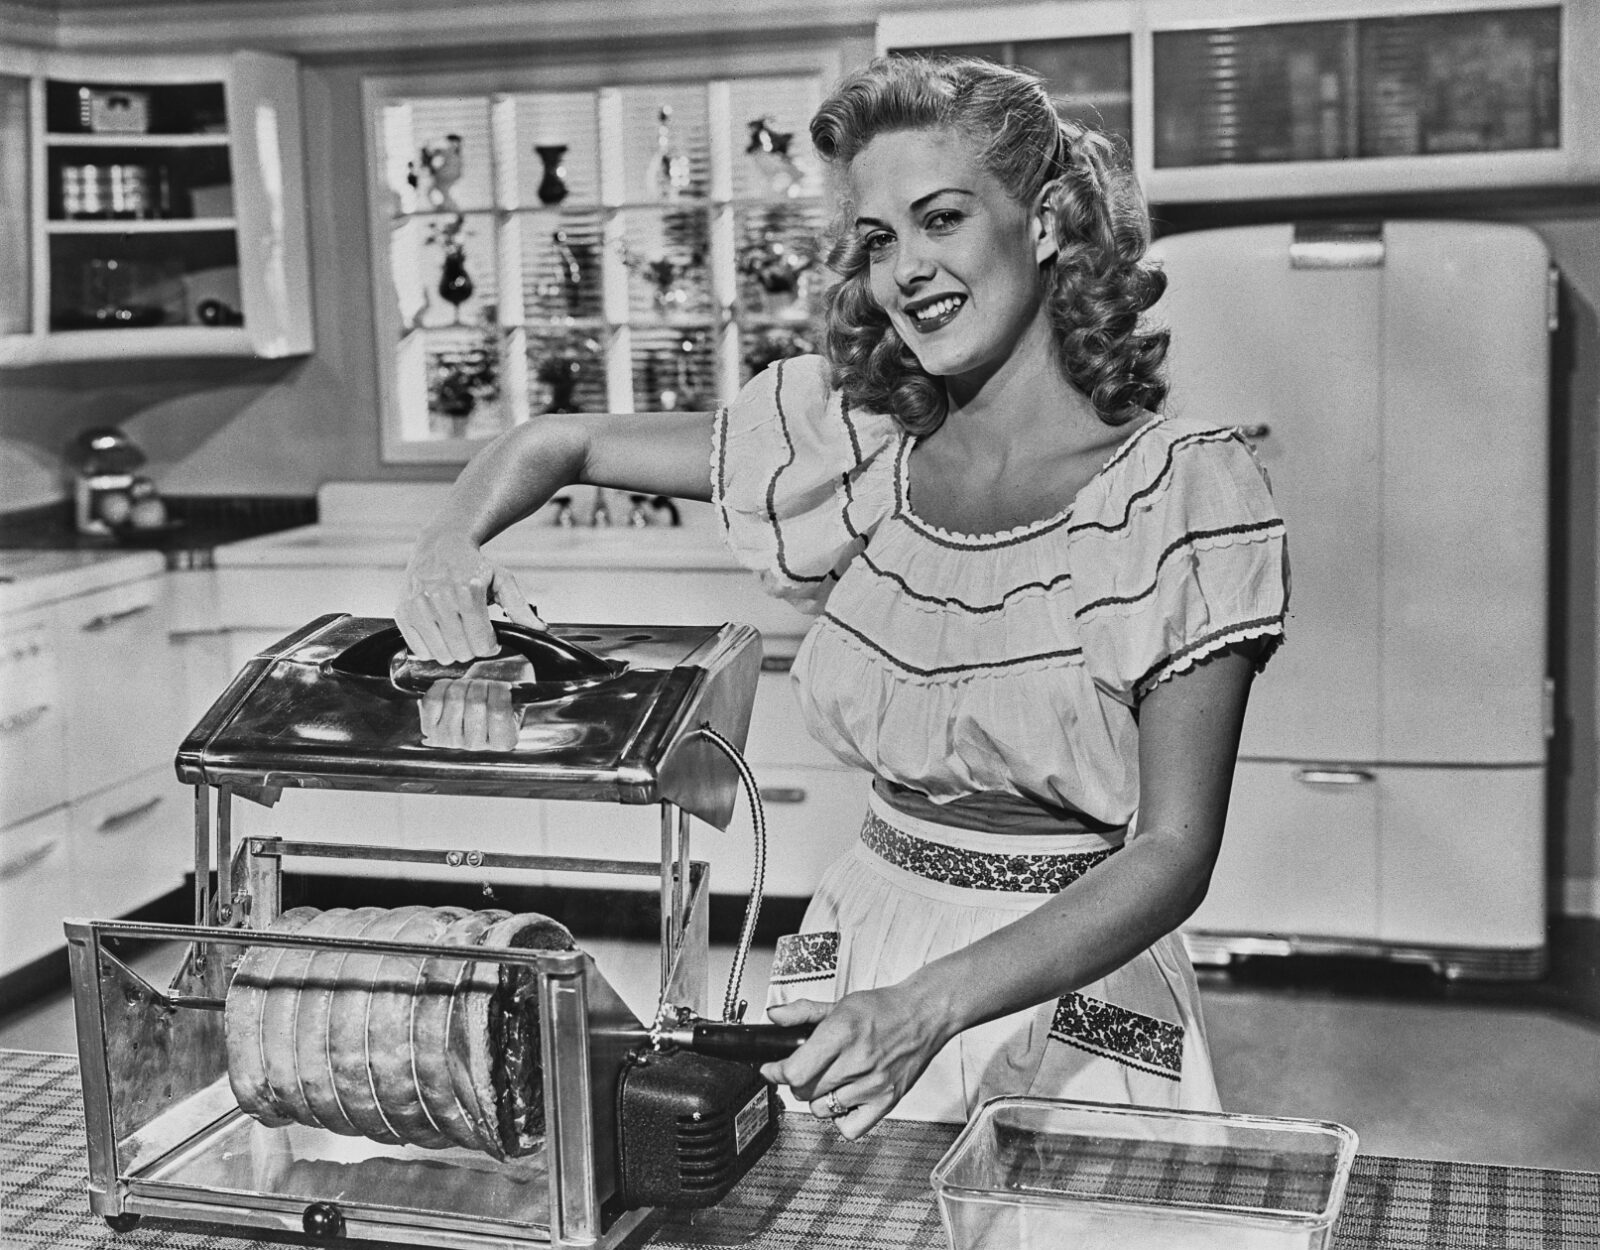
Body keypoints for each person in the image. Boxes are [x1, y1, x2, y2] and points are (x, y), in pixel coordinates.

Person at [395, 55, 1289, 1141]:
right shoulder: (856, 455)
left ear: (1045, 221)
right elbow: (557, 438)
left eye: (940, 218)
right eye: (877, 239)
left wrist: (929, 1006)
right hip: (860, 946)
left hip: (1062, 983)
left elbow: (1172, 851)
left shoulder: (1178, 487)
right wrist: (449, 537)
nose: (906, 268)